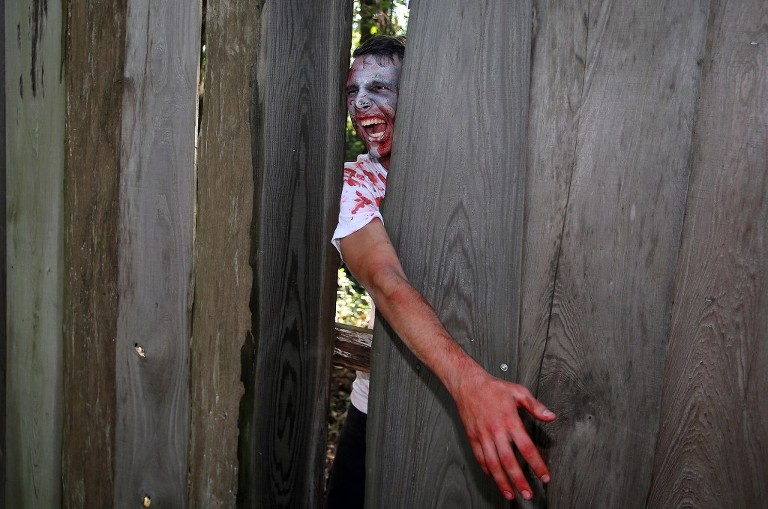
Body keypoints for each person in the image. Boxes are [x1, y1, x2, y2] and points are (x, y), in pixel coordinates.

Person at [326, 35, 555, 507]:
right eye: (353, 91)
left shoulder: (477, 164)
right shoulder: (355, 181)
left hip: (506, 405)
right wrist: (471, 384)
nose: (362, 101)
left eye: (380, 88)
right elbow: (386, 282)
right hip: (383, 407)